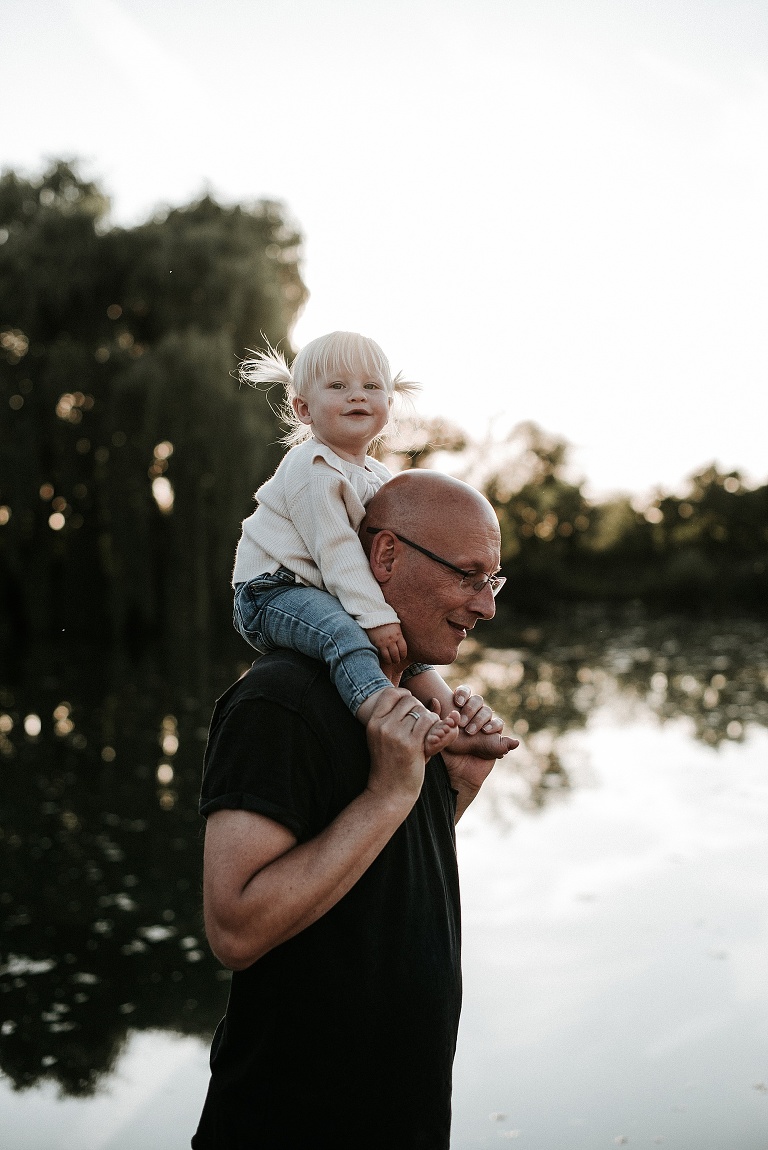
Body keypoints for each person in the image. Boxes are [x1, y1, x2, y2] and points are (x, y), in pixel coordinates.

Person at [192, 469, 518, 1150]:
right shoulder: (281, 700)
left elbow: (371, 876)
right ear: (386, 556)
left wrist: (455, 785)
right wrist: (390, 792)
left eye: (493, 582)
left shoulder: (405, 703)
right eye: (469, 576)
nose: (485, 607)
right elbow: (236, 928)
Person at [231, 331, 501, 755]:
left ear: (388, 406)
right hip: (272, 591)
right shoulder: (313, 469)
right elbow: (337, 551)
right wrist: (376, 617)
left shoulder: (375, 475)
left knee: (401, 630)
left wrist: (387, 618)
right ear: (303, 408)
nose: (357, 395)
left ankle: (451, 715)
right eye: (338, 386)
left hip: (320, 587)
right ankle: (384, 710)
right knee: (347, 630)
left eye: (371, 387)